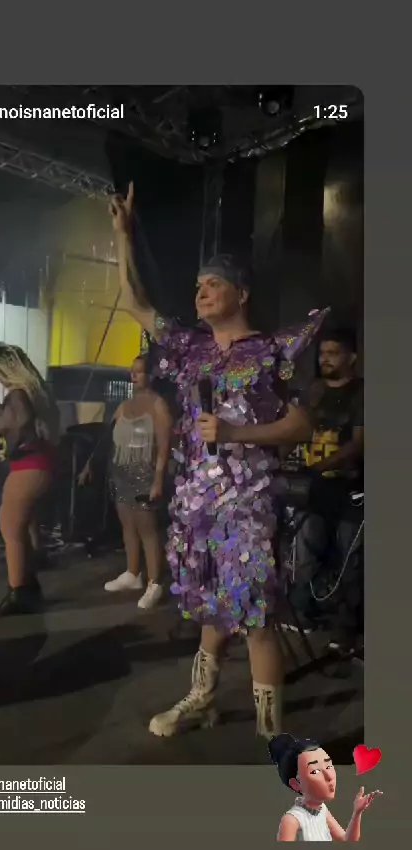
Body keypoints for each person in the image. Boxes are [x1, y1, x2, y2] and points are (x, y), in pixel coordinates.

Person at [108, 182, 329, 739]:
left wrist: (236, 432)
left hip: (247, 504)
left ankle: (273, 736)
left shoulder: (272, 352)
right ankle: (202, 699)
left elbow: (302, 425)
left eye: (213, 284)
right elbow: (135, 304)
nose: (201, 292)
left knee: (253, 616)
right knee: (211, 607)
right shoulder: (190, 348)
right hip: (196, 504)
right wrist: (123, 236)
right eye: (198, 286)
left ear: (242, 293)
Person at [281, 329, 364, 653]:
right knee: (307, 551)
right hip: (313, 488)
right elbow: (294, 430)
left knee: (349, 561)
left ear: (351, 357)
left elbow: (359, 444)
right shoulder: (314, 392)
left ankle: (347, 629)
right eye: (322, 353)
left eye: (333, 353)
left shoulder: (362, 393)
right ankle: (307, 612)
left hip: (351, 488)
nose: (324, 359)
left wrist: (319, 466)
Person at [79, 354, 173, 610]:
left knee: (147, 529)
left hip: (145, 474)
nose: (134, 375)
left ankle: (155, 582)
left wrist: (158, 479)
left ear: (151, 375)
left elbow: (165, 446)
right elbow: (105, 437)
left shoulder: (158, 406)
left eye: (139, 371)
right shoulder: (124, 406)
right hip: (121, 472)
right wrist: (90, 464)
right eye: (132, 371)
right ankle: (133, 573)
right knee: (127, 525)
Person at [0, 343, 60, 618]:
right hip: (39, 464)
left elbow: (19, 422)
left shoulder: (17, 394)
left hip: (27, 466)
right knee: (18, 529)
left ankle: (18, 593)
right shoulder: (35, 392)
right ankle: (28, 586)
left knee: (11, 529)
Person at [269, 734, 381, 841]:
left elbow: (347, 840)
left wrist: (357, 812)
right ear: (296, 784)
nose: (329, 776)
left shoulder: (322, 810)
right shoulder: (291, 820)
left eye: (328, 766)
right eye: (315, 771)